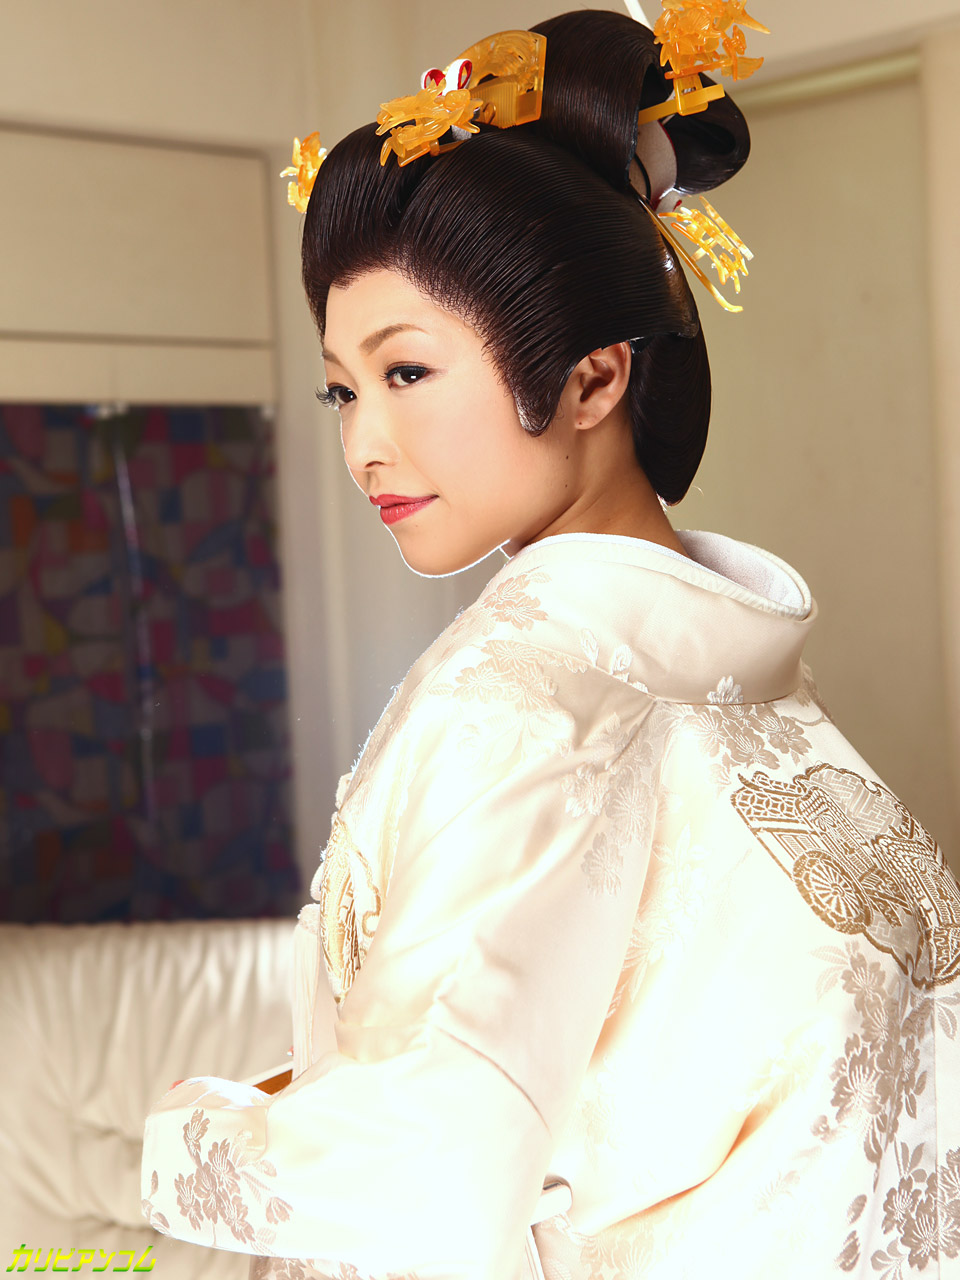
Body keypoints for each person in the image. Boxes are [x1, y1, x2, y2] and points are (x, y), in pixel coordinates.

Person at [141, 7, 960, 1278]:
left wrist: (177, 1135)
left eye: (407, 373)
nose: (363, 444)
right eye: (342, 388)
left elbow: (421, 1176)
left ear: (592, 378)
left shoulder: (519, 697)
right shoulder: (752, 675)